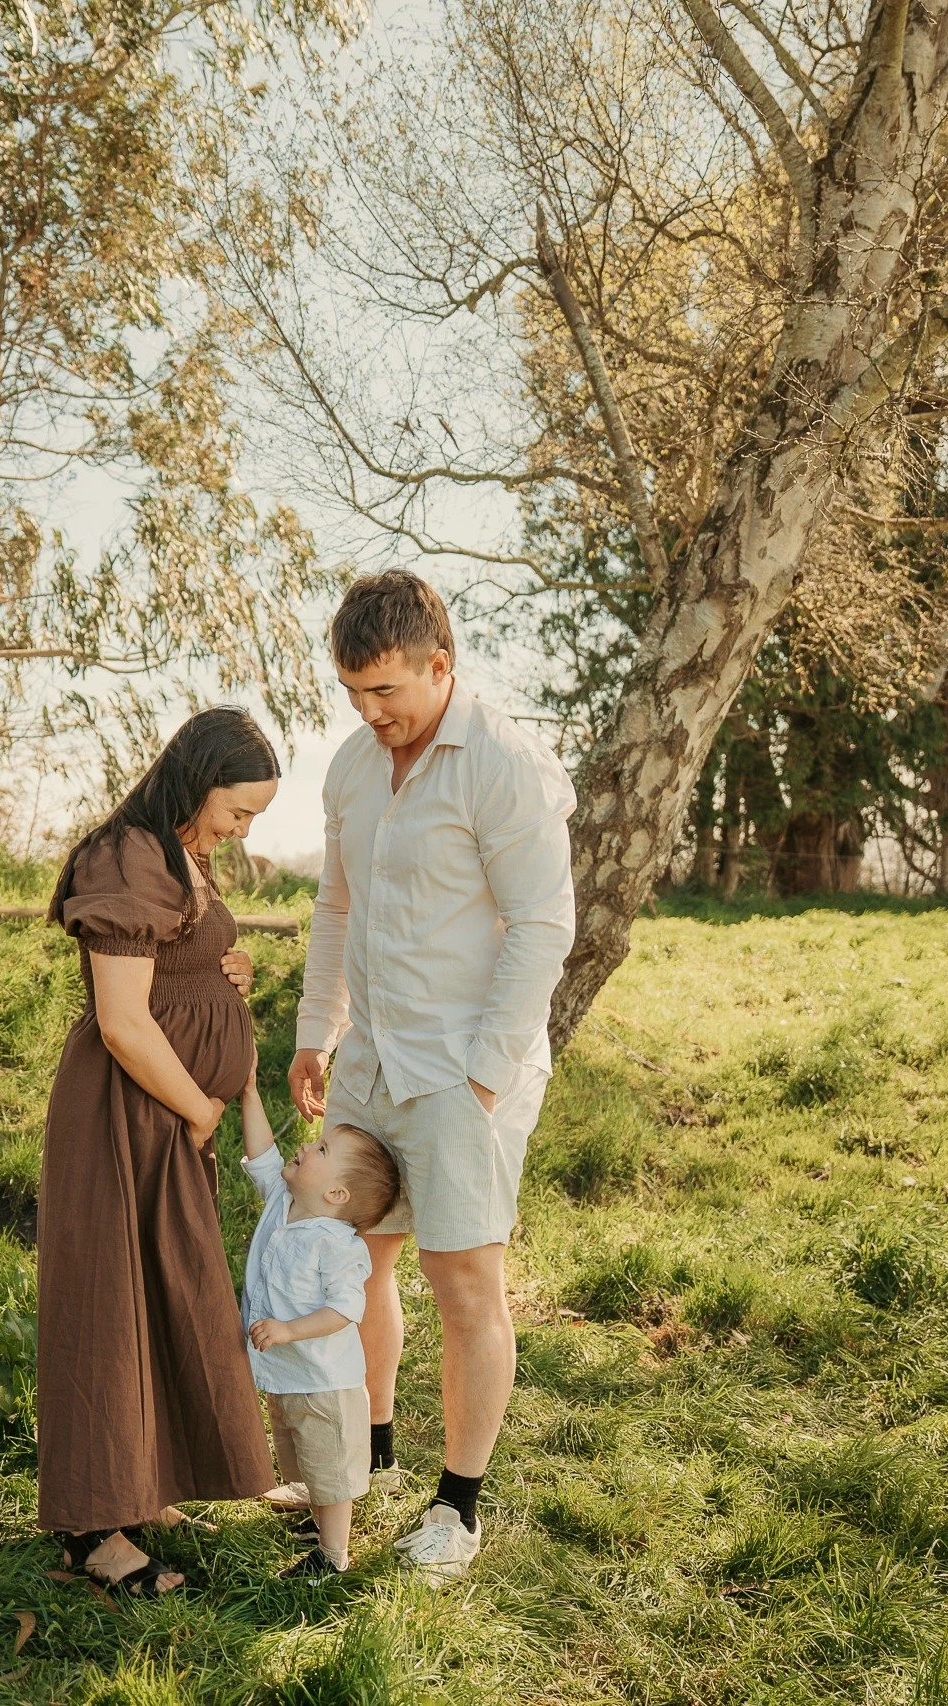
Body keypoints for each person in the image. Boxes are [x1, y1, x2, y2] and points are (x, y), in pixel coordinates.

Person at [288, 571, 577, 1584]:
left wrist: (486, 1080)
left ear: (439, 664)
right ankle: (364, 1452)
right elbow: (336, 906)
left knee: (465, 1282)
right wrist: (317, 1030)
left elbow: (545, 924)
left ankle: (458, 1506)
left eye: (386, 692)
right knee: (353, 1260)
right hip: (370, 1058)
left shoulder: (505, 762)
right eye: (353, 693)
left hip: (463, 1073)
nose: (371, 713)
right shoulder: (353, 771)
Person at [37, 707, 280, 1597]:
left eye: (252, 818)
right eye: (238, 810)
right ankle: (94, 1532)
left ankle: (147, 1482)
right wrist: (199, 1108)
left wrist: (230, 971)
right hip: (126, 1112)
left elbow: (175, 965)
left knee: (163, 1295)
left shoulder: (181, 853)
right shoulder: (126, 854)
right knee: (108, 1307)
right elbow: (124, 1021)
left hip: (167, 1116)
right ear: (196, 777)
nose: (240, 829)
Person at [237, 1051, 401, 1584]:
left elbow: (346, 1309)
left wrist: (288, 1330)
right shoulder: (283, 1203)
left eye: (321, 1148)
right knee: (296, 1451)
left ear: (335, 1194)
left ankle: (332, 1554)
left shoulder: (337, 1245)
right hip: (285, 1375)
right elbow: (263, 1155)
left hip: (323, 1380)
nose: (307, 1144)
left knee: (328, 1465)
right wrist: (249, 1094)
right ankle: (312, 1520)